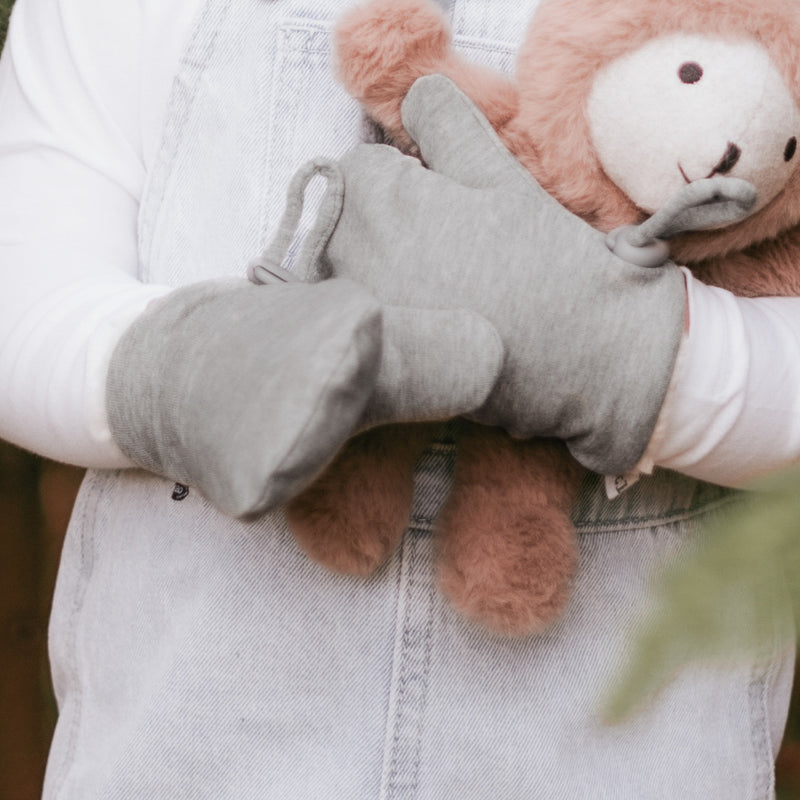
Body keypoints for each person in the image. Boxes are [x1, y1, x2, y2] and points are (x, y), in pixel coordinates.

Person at [0, 0, 798, 796]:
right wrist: (192, 370)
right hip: (189, 749)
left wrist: (630, 355)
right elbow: (24, 298)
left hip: (636, 759)